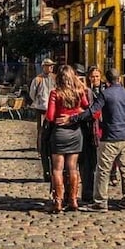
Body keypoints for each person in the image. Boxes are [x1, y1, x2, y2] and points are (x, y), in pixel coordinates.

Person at [83, 68, 125, 212]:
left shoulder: (105, 94)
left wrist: (75, 118)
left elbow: (93, 111)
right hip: (124, 137)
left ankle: (101, 201)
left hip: (108, 137)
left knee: (103, 170)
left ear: (106, 81)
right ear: (119, 79)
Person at [45, 64, 89, 212]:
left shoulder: (55, 93)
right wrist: (74, 114)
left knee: (57, 169)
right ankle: (73, 199)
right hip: (75, 133)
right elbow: (86, 108)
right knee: (73, 168)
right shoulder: (79, 92)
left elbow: (50, 116)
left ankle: (58, 201)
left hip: (59, 133)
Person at [80, 65, 105, 204]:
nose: (95, 79)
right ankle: (88, 192)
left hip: (101, 129)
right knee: (88, 163)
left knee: (100, 163)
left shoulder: (105, 90)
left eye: (97, 76)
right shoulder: (85, 91)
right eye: (92, 76)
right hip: (88, 130)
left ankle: (98, 191)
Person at [30, 58, 56, 153]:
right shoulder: (38, 79)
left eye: (52, 66)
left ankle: (50, 147)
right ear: (44, 67)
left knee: (52, 128)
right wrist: (38, 101)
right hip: (41, 108)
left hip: (53, 108)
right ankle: (41, 149)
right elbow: (32, 93)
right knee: (41, 129)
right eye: (49, 66)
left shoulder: (55, 78)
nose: (51, 67)